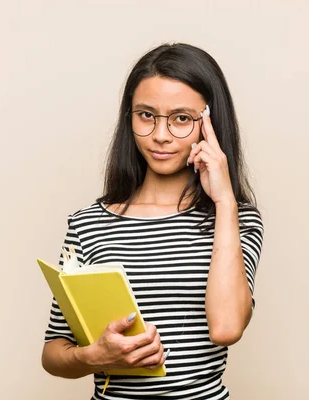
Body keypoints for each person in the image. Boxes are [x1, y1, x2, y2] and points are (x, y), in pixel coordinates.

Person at [41, 42, 264, 399]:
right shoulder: (87, 225)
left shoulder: (235, 219)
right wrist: (94, 356)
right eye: (146, 115)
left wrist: (224, 200)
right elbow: (53, 353)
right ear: (128, 117)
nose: (160, 135)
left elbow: (226, 328)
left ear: (210, 124)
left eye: (181, 118)